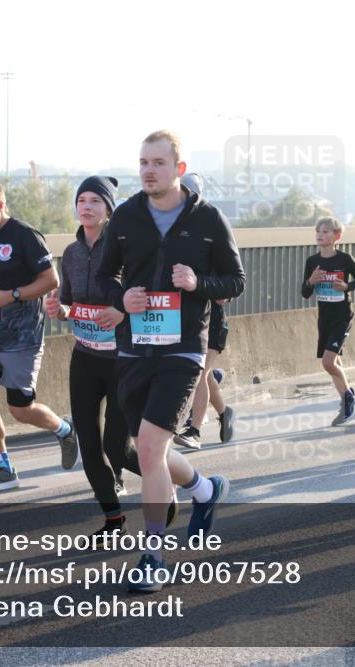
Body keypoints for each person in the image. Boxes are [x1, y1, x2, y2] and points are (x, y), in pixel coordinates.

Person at [96, 130, 244, 592]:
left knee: (148, 448)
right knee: (149, 448)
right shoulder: (125, 217)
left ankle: (153, 555)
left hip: (182, 351)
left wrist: (198, 282)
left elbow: (235, 280)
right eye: (143, 162)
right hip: (135, 348)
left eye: (158, 163)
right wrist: (122, 295)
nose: (148, 170)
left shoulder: (207, 219)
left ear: (178, 169)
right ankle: (205, 489)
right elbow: (103, 275)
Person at [45, 175, 176, 535]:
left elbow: (146, 294)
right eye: (82, 200)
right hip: (85, 357)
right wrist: (58, 310)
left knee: (117, 448)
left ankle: (164, 484)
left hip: (124, 358)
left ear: (109, 209)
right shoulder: (71, 253)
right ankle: (113, 517)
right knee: (88, 443)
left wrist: (121, 311)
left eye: (95, 201)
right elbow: (71, 305)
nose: (86, 207)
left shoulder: (123, 247)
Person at [0, 179, 74, 492]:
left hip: (20, 337)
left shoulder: (24, 234)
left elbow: (50, 279)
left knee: (20, 409)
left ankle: (63, 429)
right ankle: (4, 468)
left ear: (0, 206)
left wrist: (13, 295)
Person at [173, 172, 236, 449]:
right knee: (203, 372)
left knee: (198, 372)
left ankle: (194, 429)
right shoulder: (169, 232)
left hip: (213, 318)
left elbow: (232, 281)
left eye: (188, 194)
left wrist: (212, 289)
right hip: (182, 317)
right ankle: (224, 412)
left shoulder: (213, 228)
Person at [301, 217, 355, 426]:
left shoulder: (345, 259)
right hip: (324, 317)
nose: (321, 235)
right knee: (335, 362)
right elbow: (305, 292)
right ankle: (349, 400)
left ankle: (349, 398)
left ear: (337, 236)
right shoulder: (312, 261)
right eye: (318, 231)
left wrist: (346, 287)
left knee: (328, 362)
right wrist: (312, 280)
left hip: (342, 316)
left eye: (326, 231)